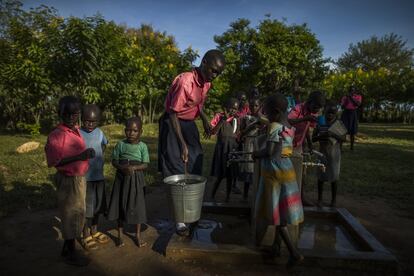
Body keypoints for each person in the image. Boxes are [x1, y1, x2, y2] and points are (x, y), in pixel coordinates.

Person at [158, 49, 225, 236]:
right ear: (203, 63)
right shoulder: (185, 81)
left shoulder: (207, 82)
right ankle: (180, 220)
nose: (215, 75)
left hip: (188, 122)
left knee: (196, 158)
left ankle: (191, 207)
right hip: (172, 122)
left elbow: (197, 104)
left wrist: (203, 118)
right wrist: (182, 143)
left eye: (218, 73)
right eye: (213, 70)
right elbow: (172, 113)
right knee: (177, 164)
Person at [253, 93, 304, 267]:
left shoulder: (274, 126)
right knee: (280, 210)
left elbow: (269, 151)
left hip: (274, 173)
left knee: (277, 217)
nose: (266, 115)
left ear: (275, 112)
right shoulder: (288, 125)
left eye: (267, 112)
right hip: (287, 170)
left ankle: (294, 253)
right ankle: (276, 246)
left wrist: (255, 154)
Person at [45, 96, 95, 266]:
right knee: (71, 216)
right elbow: (55, 162)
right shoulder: (57, 135)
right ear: (60, 113)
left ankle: (67, 249)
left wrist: (86, 155)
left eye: (75, 113)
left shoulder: (74, 130)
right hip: (68, 180)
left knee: (76, 214)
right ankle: (72, 254)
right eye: (68, 114)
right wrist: (81, 155)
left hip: (78, 179)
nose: (72, 117)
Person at [107, 116, 149, 248]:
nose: (131, 133)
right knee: (120, 204)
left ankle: (137, 235)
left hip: (136, 178)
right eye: (128, 130)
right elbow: (114, 161)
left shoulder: (143, 146)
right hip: (122, 177)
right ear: (125, 131)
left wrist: (134, 168)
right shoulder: (120, 144)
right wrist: (123, 168)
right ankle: (119, 235)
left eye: (135, 131)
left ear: (140, 132)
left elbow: (145, 164)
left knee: (137, 206)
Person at [79, 104, 110, 250]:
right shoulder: (78, 133)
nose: (90, 124)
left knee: (98, 206)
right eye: (87, 121)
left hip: (99, 177)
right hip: (85, 179)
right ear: (82, 119)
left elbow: (104, 145)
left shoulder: (99, 133)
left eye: (93, 121)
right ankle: (85, 234)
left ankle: (95, 230)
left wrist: (98, 157)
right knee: (87, 208)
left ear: (98, 121)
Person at [288, 91, 326, 206]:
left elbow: (307, 130)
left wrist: (309, 144)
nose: (316, 110)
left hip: (299, 145)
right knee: (287, 172)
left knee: (301, 173)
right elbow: (289, 121)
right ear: (309, 102)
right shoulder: (298, 108)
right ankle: (287, 199)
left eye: (319, 108)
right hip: (287, 144)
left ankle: (300, 197)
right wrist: (305, 118)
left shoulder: (313, 114)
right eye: (315, 107)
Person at [313, 102, 346, 207]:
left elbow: (344, 139)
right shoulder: (320, 123)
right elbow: (313, 138)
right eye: (328, 113)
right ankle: (320, 199)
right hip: (322, 153)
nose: (330, 115)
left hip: (334, 154)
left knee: (334, 177)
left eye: (332, 113)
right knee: (321, 177)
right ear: (324, 112)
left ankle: (333, 200)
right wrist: (320, 136)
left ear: (336, 114)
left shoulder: (339, 124)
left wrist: (332, 134)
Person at [210, 97, 240, 202]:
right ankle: (212, 195)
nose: (233, 111)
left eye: (236, 109)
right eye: (231, 108)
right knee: (220, 175)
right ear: (225, 108)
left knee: (230, 175)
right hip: (222, 148)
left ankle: (227, 197)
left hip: (232, 149)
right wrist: (222, 120)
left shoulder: (236, 119)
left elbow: (237, 135)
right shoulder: (219, 117)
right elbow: (213, 131)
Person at [239, 98, 262, 200]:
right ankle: (245, 195)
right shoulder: (246, 118)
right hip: (248, 144)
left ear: (260, 106)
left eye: (256, 106)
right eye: (252, 106)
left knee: (256, 169)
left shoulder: (262, 118)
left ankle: (256, 195)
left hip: (257, 144)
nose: (254, 108)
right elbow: (242, 130)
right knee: (248, 168)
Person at [340, 85, 362, 150]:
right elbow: (342, 107)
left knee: (353, 131)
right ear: (349, 91)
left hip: (353, 113)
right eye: (350, 90)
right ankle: (340, 147)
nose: (352, 91)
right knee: (343, 130)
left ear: (355, 91)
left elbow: (357, 104)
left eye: (353, 90)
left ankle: (351, 147)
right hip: (345, 113)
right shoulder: (345, 97)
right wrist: (347, 99)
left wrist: (351, 98)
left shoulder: (358, 96)